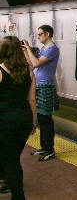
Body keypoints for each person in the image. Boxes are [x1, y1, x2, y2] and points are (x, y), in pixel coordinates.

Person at [0, 36, 37, 200]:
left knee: (11, 161)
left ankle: (18, 197)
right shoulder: (28, 70)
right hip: (24, 118)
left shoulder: (0, 70)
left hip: (5, 120)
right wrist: (33, 123)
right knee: (12, 158)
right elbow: (32, 99)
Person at [22, 25, 60, 162]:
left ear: (47, 34)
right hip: (39, 85)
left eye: (40, 34)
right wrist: (26, 51)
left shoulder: (52, 49)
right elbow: (31, 64)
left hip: (45, 86)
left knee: (45, 118)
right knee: (41, 118)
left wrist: (27, 46)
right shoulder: (44, 49)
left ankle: (50, 149)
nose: (38, 37)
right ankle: (44, 146)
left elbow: (37, 63)